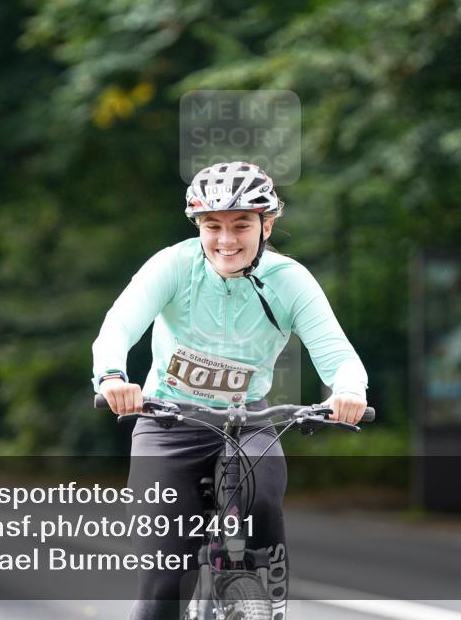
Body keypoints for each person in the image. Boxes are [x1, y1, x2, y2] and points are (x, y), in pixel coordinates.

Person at [92, 162, 369, 620]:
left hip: (249, 422)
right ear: (197, 227)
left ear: (267, 225)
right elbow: (118, 326)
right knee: (164, 580)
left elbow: (337, 354)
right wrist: (112, 378)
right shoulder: (173, 266)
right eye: (212, 226)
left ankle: (265, 599)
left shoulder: (290, 280)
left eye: (241, 225)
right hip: (169, 422)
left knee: (262, 500)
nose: (226, 239)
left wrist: (348, 391)